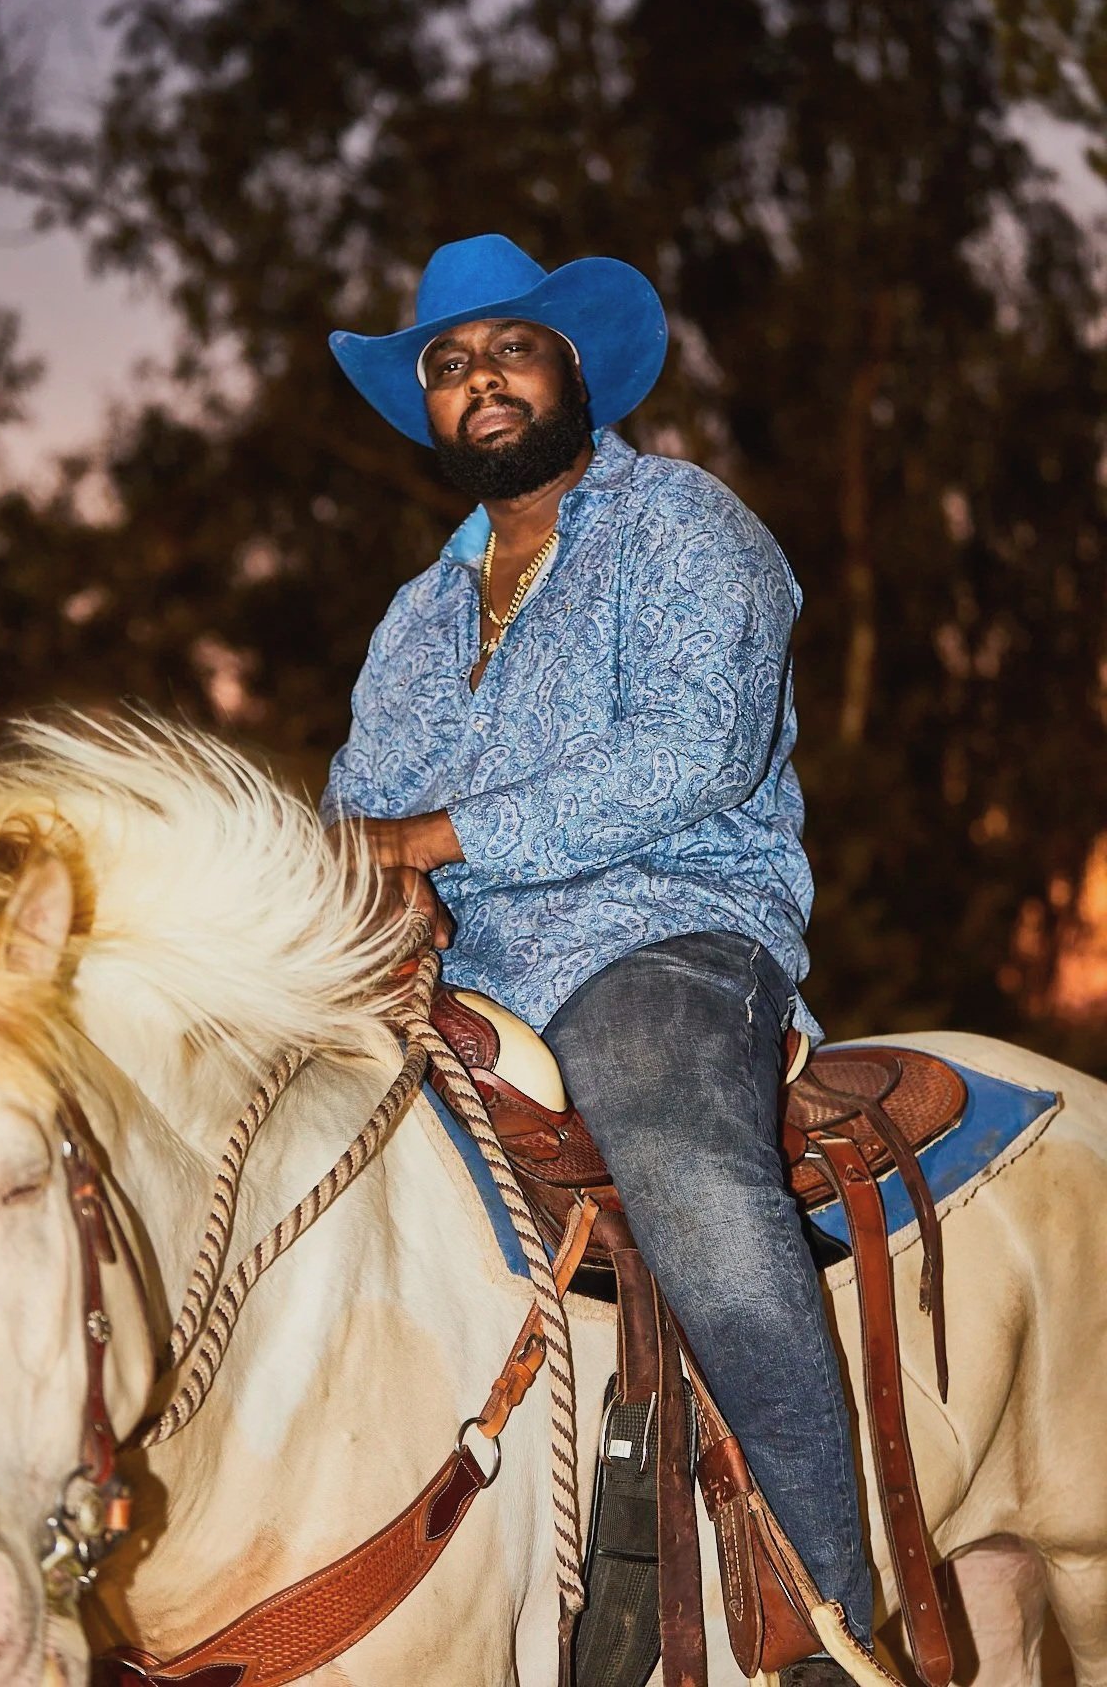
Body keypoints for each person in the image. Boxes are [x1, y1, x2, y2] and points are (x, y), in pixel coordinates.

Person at [321, 232, 873, 1684]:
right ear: (430, 408)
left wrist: (433, 840)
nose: (478, 379)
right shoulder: (418, 613)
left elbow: (698, 751)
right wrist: (374, 888)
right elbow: (355, 811)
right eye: (447, 364)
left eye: (509, 348)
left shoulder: (684, 524)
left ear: (573, 370)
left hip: (667, 929)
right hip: (469, 976)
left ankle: (826, 1611)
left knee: (681, 1153)